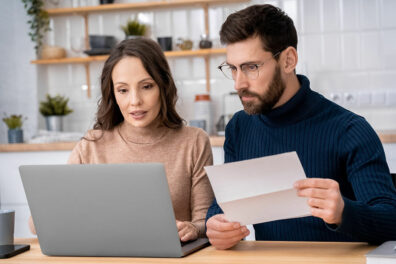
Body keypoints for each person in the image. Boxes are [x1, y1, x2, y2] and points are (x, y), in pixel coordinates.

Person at [205, 4, 396, 250]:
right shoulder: (239, 127)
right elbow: (225, 204)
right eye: (232, 68)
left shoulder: (350, 130)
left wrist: (343, 212)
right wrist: (215, 223)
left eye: (251, 67)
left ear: (288, 60)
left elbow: (391, 219)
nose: (238, 83)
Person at [29, 38, 214, 242]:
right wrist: (43, 216)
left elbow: (205, 220)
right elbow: (41, 220)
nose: (135, 101)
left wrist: (193, 229)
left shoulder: (194, 141)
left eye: (146, 86)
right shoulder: (91, 145)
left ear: (163, 86)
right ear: (113, 94)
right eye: (123, 90)